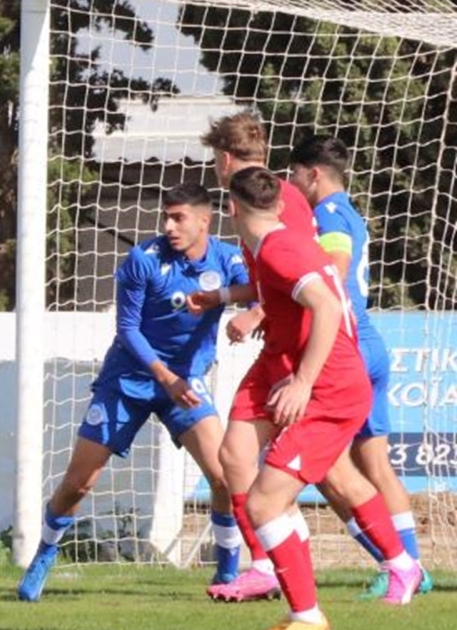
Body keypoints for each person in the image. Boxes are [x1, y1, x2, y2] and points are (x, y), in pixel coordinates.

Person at [16, 183, 248, 602]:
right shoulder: (144, 258)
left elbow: (266, 291)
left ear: (204, 220)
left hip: (186, 382)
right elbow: (127, 329)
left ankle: (228, 571)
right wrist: (165, 377)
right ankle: (45, 553)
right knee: (79, 483)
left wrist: (251, 314)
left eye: (178, 218)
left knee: (224, 476)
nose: (168, 226)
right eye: (165, 217)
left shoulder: (228, 259)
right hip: (129, 379)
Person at [225, 166, 420, 630]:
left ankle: (311, 612)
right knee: (244, 462)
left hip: (331, 389)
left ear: (231, 207)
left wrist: (303, 382)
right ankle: (295, 585)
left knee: (267, 502)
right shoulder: (274, 244)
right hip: (290, 367)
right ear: (279, 203)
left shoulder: (279, 249)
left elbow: (328, 306)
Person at [287, 134, 430, 597]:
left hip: (346, 348)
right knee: (375, 465)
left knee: (326, 469)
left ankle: (396, 564)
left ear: (313, 174)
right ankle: (411, 566)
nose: (291, 183)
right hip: (370, 344)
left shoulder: (327, 213)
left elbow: (336, 267)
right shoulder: (348, 210)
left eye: (294, 174)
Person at [190, 111, 320, 601]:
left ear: (224, 159)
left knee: (339, 477)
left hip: (301, 351)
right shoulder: (259, 198)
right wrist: (225, 298)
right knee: (235, 456)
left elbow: (307, 274)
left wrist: (258, 312)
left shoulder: (279, 199)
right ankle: (269, 565)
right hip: (279, 347)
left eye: (214, 160)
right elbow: (273, 277)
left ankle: (399, 564)